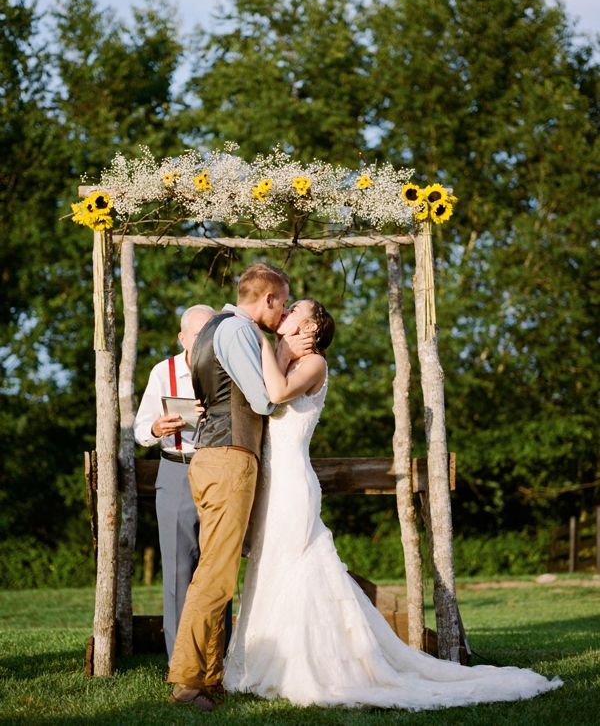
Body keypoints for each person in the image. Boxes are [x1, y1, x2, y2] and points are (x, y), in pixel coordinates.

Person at [223, 298, 563, 710]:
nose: (287, 311)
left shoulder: (314, 364)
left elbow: (275, 393)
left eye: (296, 308)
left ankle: (314, 667)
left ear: (311, 326)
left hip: (293, 485)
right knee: (268, 565)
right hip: (270, 484)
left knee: (299, 566)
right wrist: (273, 349)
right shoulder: (283, 356)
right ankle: (267, 662)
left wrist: (258, 340)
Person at [168, 263, 313, 712]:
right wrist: (282, 358)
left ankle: (209, 676)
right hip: (229, 458)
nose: (284, 311)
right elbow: (264, 398)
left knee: (219, 570)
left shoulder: (214, 328)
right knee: (214, 573)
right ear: (267, 298)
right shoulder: (240, 330)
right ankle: (187, 681)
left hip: (215, 456)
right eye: (283, 303)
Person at [134, 304, 215, 663]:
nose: (203, 340)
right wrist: (157, 428)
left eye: (209, 332)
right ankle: (179, 663)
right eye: (197, 333)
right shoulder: (162, 371)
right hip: (176, 470)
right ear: (182, 337)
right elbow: (140, 429)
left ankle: (216, 658)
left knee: (217, 569)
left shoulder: (228, 368)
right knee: (179, 572)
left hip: (218, 471)